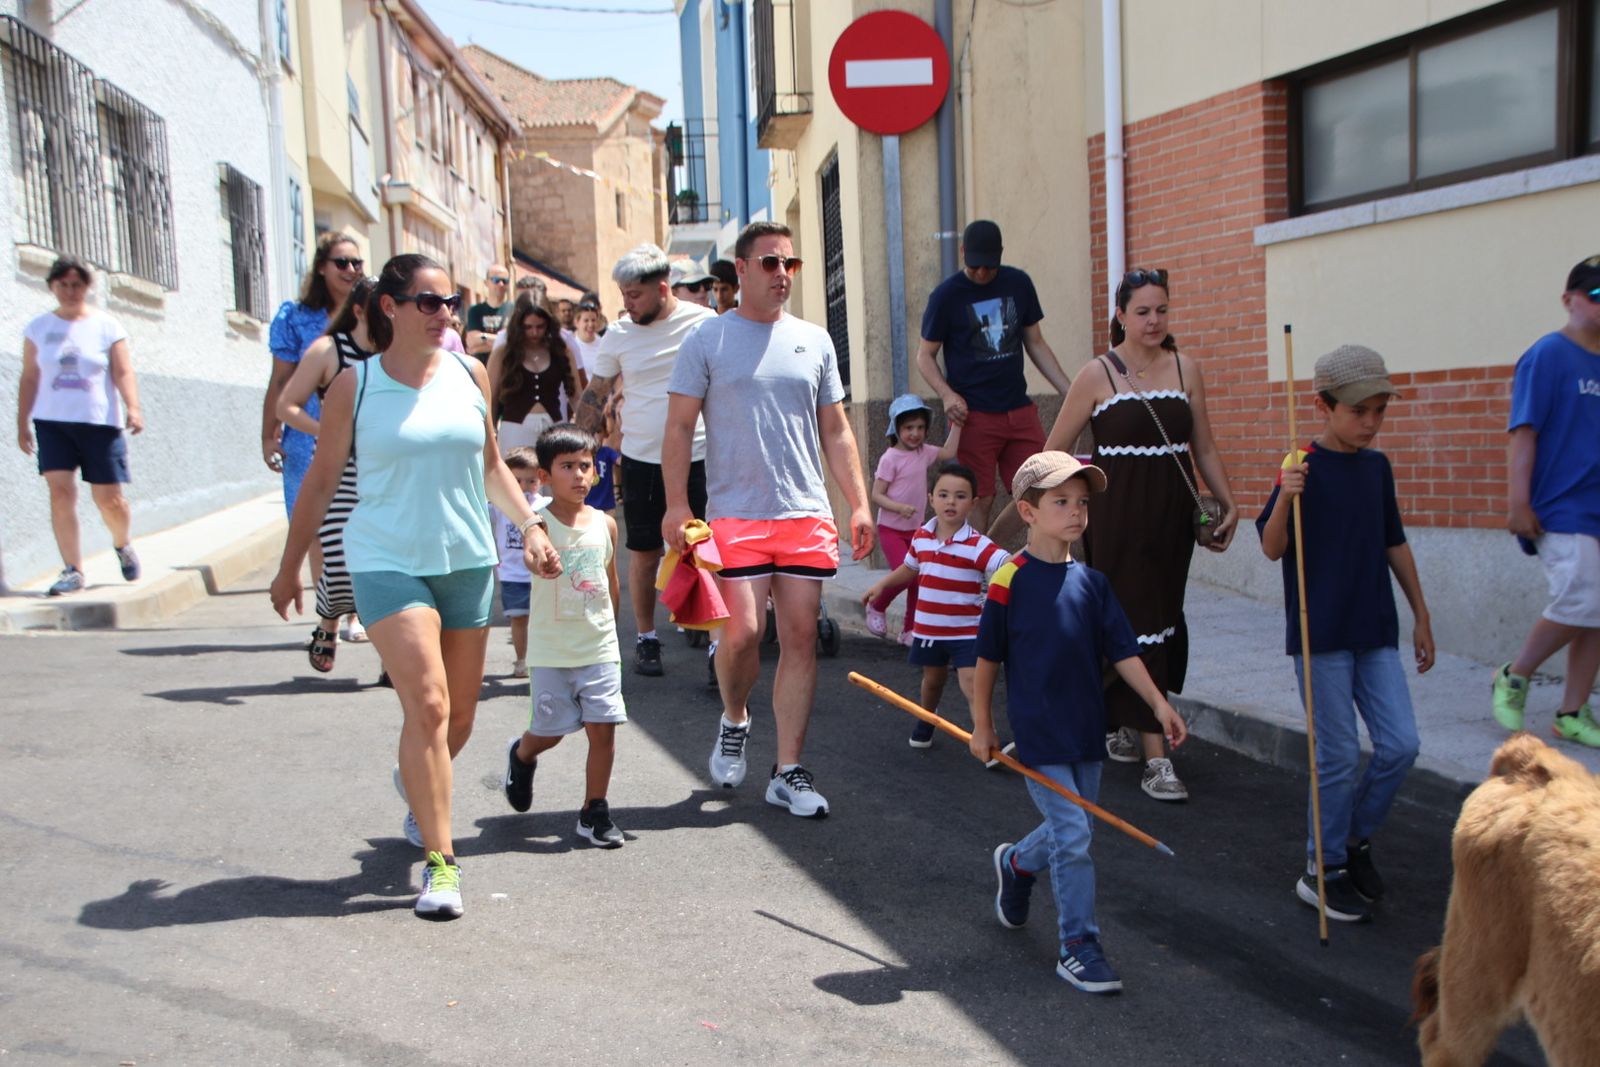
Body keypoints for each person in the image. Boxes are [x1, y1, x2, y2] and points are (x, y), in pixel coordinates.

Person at [269, 253, 561, 921]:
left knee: (458, 718)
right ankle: (442, 863)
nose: (445, 314)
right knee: (427, 705)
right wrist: (289, 566)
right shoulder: (356, 385)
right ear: (390, 307)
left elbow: (491, 465)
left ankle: (415, 781)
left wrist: (530, 526)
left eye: (450, 303)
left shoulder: (471, 373)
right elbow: (321, 479)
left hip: (465, 559)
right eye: (429, 302)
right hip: (386, 559)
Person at [662, 220, 874, 818]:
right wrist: (677, 503)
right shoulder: (708, 339)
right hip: (735, 513)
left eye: (791, 264)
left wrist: (858, 502)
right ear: (741, 269)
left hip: (804, 512)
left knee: (801, 637)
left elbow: (836, 430)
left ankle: (788, 770)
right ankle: (735, 717)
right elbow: (678, 426)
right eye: (771, 263)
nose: (783, 274)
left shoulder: (814, 340)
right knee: (744, 634)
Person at [971, 452, 1187, 994]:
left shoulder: (1092, 583)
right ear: (1028, 511)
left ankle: (1017, 863)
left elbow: (1124, 652)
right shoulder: (1009, 580)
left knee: (1075, 828)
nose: (1076, 512)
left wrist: (1158, 705)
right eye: (1061, 501)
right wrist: (982, 725)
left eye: (1083, 502)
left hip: (1087, 728)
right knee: (1072, 835)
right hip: (1039, 731)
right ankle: (1078, 945)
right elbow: (988, 658)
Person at [1024, 268, 1240, 803]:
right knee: (1132, 621)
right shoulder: (1096, 375)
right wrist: (1054, 518)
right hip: (1116, 520)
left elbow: (1203, 446)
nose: (1153, 321)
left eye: (1161, 310)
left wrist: (1229, 501)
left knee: (1160, 618)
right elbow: (1054, 454)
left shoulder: (1186, 368)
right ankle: (1156, 758)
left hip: (1171, 522)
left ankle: (1121, 721)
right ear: (1120, 315)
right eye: (1142, 311)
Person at [1256, 344, 1432, 924]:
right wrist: (1286, 495)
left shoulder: (1376, 468)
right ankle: (1322, 867)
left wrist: (1421, 613)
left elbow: (1393, 542)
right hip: (1322, 633)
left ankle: (1353, 838)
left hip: (1375, 628)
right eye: (1359, 411)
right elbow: (1272, 547)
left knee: (1400, 744)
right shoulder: (1300, 465)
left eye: (1379, 410)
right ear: (1323, 407)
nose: (1371, 422)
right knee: (1334, 754)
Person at [574, 243, 716, 678]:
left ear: (662, 288)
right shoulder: (619, 334)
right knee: (644, 552)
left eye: (634, 294)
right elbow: (597, 393)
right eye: (623, 294)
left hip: (699, 455)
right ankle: (646, 637)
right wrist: (574, 450)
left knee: (706, 551)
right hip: (640, 459)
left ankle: (717, 644)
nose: (627, 303)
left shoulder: (703, 323)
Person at [502, 423, 627, 847]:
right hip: (551, 651)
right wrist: (540, 563)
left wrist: (613, 635)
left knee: (603, 729)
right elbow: (531, 558)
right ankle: (522, 754)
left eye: (585, 466)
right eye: (567, 466)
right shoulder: (538, 525)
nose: (578, 475)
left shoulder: (606, 524)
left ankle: (595, 811)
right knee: (550, 732)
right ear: (544, 476)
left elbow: (610, 583)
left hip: (599, 648)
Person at [1493, 255, 1600, 745]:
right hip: (1561, 505)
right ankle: (1515, 674)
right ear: (1568, 300)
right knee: (1581, 596)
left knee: (1596, 611)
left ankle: (1572, 712)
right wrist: (1518, 503)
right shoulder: (1548, 354)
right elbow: (1524, 432)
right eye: (1595, 295)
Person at [915, 219, 1072, 531]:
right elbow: (924, 355)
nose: (982, 273)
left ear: (1000, 254)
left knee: (1040, 487)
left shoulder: (1019, 284)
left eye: (989, 266)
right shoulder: (946, 296)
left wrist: (1070, 391)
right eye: (975, 266)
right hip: (973, 414)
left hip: (1018, 407)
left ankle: (998, 550)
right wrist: (947, 395)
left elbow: (1035, 342)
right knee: (980, 497)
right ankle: (977, 560)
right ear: (963, 252)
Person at [16, 256, 143, 596]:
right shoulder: (38, 328)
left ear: (87, 287)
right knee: (60, 492)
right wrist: (22, 422)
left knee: (109, 500)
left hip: (99, 423)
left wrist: (133, 407)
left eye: (77, 285)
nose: (70, 291)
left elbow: (122, 371)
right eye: (63, 285)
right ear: (52, 287)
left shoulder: (107, 326)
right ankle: (73, 569)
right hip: (52, 422)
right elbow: (30, 377)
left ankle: (122, 544)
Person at [863, 461, 1007, 748]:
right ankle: (926, 717)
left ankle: (986, 735)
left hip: (967, 631)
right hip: (929, 629)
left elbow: (1005, 563)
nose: (951, 502)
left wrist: (1031, 557)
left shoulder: (978, 544)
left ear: (973, 503)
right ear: (931, 499)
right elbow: (909, 568)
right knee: (932, 681)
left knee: (972, 684)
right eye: (943, 495)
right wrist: (882, 585)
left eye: (960, 496)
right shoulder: (921, 537)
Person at [276, 275, 378, 671]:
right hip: (338, 469)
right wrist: (326, 430)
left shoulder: (395, 354)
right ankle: (329, 619)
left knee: (385, 564)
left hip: (384, 468)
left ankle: (391, 657)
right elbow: (287, 405)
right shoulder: (328, 350)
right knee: (338, 559)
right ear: (359, 310)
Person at [264, 232, 362, 520]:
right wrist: (267, 436)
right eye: (341, 263)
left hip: (360, 441)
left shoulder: (371, 316)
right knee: (310, 526)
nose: (351, 270)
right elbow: (280, 381)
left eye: (356, 263)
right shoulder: (295, 318)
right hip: (306, 439)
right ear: (321, 267)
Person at [864, 394, 962, 642]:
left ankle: (909, 630)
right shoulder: (890, 458)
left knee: (918, 579)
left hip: (915, 530)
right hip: (891, 529)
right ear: (896, 428)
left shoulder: (924, 452)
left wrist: (957, 425)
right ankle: (877, 606)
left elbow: (949, 451)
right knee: (903, 574)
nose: (915, 433)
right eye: (909, 428)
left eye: (920, 427)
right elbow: (876, 494)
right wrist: (898, 508)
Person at [488, 297, 579, 455]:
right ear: (518, 325)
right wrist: (490, 436)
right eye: (528, 327)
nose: (534, 332)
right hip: (515, 430)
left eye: (540, 326)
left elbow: (576, 396)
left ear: (549, 324)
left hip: (554, 428)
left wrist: (585, 431)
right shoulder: (503, 353)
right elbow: (490, 399)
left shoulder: (561, 351)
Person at [494, 447, 547, 679]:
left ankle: (544, 659)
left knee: (543, 619)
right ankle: (522, 659)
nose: (524, 486)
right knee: (518, 618)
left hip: (541, 572)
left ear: (541, 479)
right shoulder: (499, 504)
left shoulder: (545, 504)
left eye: (531, 481)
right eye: (517, 481)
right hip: (511, 574)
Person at [463, 264, 512, 360]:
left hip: (507, 365)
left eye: (505, 281)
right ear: (486, 283)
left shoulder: (514, 309)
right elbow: (471, 343)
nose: (501, 284)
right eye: (496, 280)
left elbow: (513, 342)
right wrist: (503, 341)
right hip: (482, 366)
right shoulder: (475, 311)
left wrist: (482, 338)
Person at [585, 399, 622, 516]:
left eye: (598, 432)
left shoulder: (607, 452)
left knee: (609, 527)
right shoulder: (581, 455)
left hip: (607, 507)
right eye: (591, 432)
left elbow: (621, 461)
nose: (595, 436)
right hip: (586, 506)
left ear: (604, 433)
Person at [567, 299, 605, 391]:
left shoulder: (604, 344)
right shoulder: (570, 345)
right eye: (586, 320)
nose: (590, 324)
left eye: (593, 320)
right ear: (577, 322)